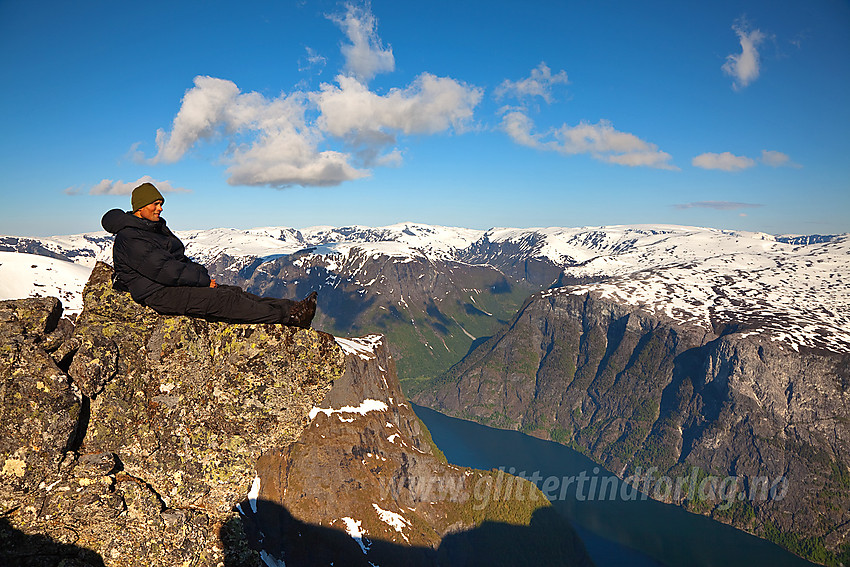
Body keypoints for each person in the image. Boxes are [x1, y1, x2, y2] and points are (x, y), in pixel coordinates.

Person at [101, 182, 316, 328]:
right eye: (156, 204)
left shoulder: (151, 228)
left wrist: (201, 276)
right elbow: (165, 271)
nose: (160, 209)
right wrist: (202, 280)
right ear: (140, 207)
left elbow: (177, 260)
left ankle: (292, 307)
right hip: (158, 293)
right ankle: (289, 318)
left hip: (167, 286)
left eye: (161, 204)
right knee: (224, 300)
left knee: (233, 291)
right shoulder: (131, 237)